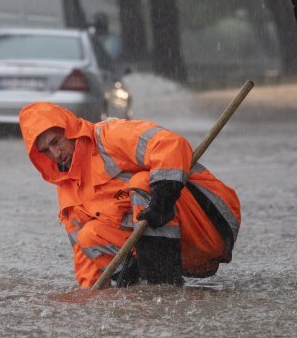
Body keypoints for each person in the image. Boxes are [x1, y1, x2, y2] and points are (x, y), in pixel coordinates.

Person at [19, 101, 241, 288]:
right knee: (89, 236)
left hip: (212, 221)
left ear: (69, 130)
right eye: (46, 151)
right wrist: (90, 302)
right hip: (184, 254)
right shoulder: (67, 188)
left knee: (141, 182)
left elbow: (172, 144)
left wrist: (163, 194)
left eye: (56, 142)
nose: (55, 154)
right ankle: (139, 287)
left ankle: (160, 288)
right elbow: (83, 254)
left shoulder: (108, 137)